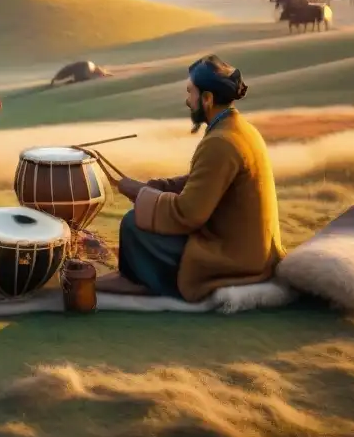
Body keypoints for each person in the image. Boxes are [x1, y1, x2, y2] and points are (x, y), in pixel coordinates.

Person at [96, 55, 285, 302]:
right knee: (145, 216)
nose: (187, 101)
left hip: (234, 257)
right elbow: (204, 180)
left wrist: (141, 194)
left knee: (134, 223)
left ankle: (144, 281)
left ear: (206, 99)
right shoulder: (237, 129)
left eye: (190, 93)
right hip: (250, 249)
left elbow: (189, 214)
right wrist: (157, 187)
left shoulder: (220, 142)